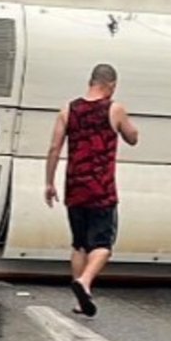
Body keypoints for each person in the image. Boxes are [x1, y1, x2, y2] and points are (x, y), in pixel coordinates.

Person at [45, 63, 140, 317]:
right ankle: (85, 282)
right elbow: (132, 138)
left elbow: (54, 148)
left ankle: (80, 301)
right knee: (103, 245)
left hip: (75, 186)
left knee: (79, 245)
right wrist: (126, 125)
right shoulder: (114, 109)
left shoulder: (68, 109)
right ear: (112, 85)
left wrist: (49, 182)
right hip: (101, 188)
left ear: (90, 82)